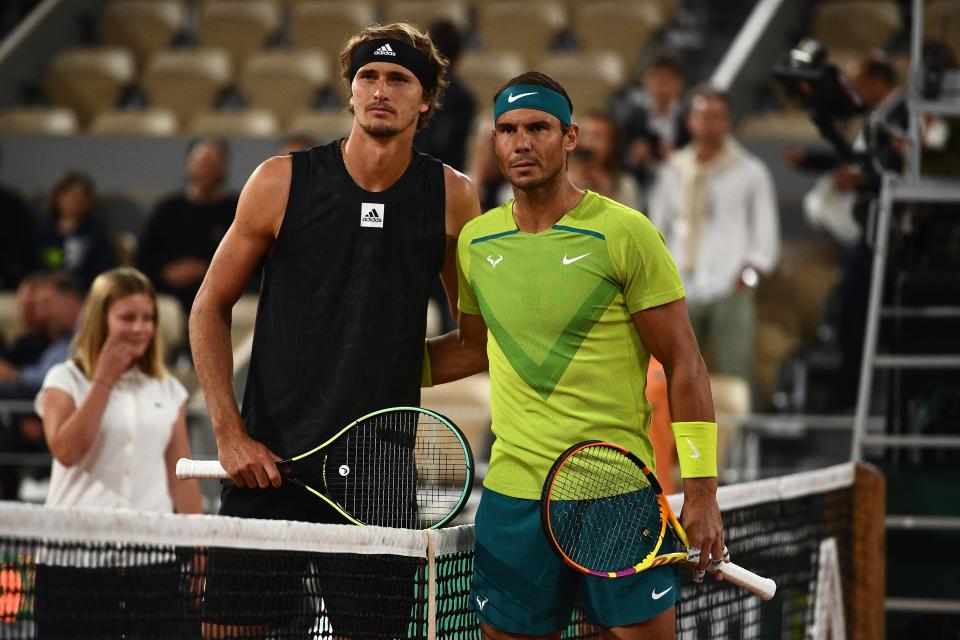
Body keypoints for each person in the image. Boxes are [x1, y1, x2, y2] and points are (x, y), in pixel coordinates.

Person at [188, 22, 480, 637]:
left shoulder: (453, 196)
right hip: (268, 466)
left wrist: (388, 361)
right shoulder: (279, 181)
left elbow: (476, 341)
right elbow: (207, 308)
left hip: (378, 477)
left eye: (399, 79)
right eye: (367, 77)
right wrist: (229, 434)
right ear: (349, 93)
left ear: (425, 100)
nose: (380, 89)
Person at [427, 71, 724, 640]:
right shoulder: (475, 241)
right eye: (507, 130)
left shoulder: (626, 233)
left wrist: (703, 492)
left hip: (615, 495)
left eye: (538, 127)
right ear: (494, 142)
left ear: (569, 137)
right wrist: (372, 366)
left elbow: (685, 361)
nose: (521, 143)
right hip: (512, 498)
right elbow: (472, 349)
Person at [32, 267, 202, 636]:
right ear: (100, 320)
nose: (140, 328)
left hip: (151, 563)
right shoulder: (64, 380)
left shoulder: (168, 389)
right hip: (74, 562)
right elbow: (66, 450)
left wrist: (202, 553)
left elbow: (182, 478)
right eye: (128, 317)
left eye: (148, 318)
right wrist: (104, 378)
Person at [649, 86, 780, 386]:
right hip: (680, 287)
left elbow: (765, 240)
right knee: (674, 374)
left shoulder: (750, 172)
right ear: (690, 121)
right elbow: (657, 229)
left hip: (730, 284)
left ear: (728, 121)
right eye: (702, 115)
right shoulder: (673, 170)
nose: (709, 123)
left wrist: (745, 279)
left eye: (717, 116)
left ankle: (744, 432)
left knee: (737, 368)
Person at [137, 138, 240, 317]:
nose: (207, 168)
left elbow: (250, 261)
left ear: (224, 167)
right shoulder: (167, 209)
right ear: (188, 165)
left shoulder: (238, 209)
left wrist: (206, 270)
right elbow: (144, 258)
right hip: (169, 294)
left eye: (214, 162)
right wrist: (166, 273)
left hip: (222, 293)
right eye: (201, 161)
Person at [608, 53, 690, 188]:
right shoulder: (630, 119)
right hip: (640, 188)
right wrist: (634, 158)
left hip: (679, 186)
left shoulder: (689, 121)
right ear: (645, 82)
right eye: (657, 79)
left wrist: (676, 158)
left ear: (679, 84)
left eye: (668, 79)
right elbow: (617, 158)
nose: (662, 86)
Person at [36, 171, 117, 291]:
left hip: (84, 291)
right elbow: (35, 264)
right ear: (58, 197)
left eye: (81, 196)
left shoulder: (96, 232)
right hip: (48, 290)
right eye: (70, 195)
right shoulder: (45, 231)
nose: (75, 201)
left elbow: (105, 269)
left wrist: (76, 280)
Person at [568, 111, 644, 210]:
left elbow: (632, 221)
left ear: (611, 145)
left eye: (597, 137)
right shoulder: (560, 179)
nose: (589, 142)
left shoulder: (625, 185)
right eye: (584, 134)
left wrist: (605, 192)